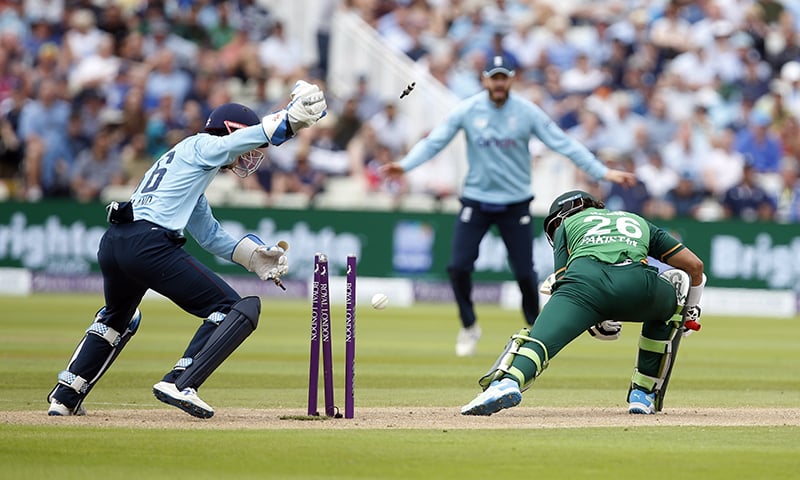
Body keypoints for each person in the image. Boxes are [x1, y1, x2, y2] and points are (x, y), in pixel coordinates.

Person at [46, 81, 327, 418]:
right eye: (242, 141)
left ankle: (66, 395)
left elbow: (209, 235)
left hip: (116, 243)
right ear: (230, 131)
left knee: (120, 317)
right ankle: (181, 381)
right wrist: (288, 119)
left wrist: (253, 257)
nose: (246, 157)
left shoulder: (184, 163)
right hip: (148, 244)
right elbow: (238, 142)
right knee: (235, 308)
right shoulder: (203, 144)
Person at [381, 55, 636, 357]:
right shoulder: (468, 109)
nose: (499, 83)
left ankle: (538, 331)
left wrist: (601, 172)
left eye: (503, 77)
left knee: (525, 274)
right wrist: (405, 165)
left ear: (511, 79)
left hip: (515, 203)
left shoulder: (526, 112)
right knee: (457, 267)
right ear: (485, 80)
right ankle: (469, 325)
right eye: (494, 77)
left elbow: (562, 143)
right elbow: (435, 141)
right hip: (476, 200)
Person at [460, 190, 706, 416]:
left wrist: (596, 317)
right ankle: (643, 394)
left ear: (565, 214)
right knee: (674, 288)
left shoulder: (567, 224)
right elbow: (695, 267)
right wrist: (689, 313)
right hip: (640, 286)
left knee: (537, 340)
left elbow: (562, 279)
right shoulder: (636, 220)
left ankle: (507, 382)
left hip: (585, 284)